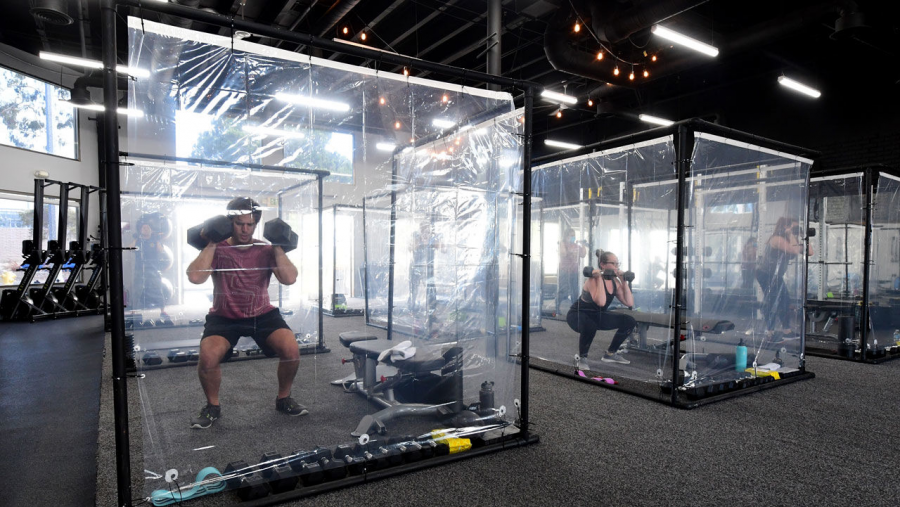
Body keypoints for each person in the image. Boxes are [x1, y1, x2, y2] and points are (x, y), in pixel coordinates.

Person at [186, 197, 305, 429]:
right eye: (240, 223)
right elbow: (195, 277)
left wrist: (278, 246)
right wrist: (211, 242)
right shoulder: (218, 248)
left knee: (291, 349)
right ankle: (212, 407)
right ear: (230, 222)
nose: (245, 229)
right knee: (208, 357)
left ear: (256, 224)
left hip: (262, 314)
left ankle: (284, 399)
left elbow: (289, 279)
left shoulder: (266, 249)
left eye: (250, 224)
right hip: (224, 316)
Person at [566, 249, 636, 369]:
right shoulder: (592, 280)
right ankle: (582, 358)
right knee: (590, 325)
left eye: (617, 264)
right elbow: (601, 302)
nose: (616, 267)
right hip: (578, 315)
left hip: (597, 314)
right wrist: (599, 278)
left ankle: (610, 354)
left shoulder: (616, 282)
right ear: (603, 265)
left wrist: (624, 281)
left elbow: (629, 302)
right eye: (613, 263)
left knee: (629, 321)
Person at [756, 217, 813, 337]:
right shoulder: (776, 239)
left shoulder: (792, 240)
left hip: (776, 275)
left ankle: (786, 330)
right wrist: (791, 234)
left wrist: (803, 235)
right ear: (784, 227)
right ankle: (770, 331)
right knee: (772, 301)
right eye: (794, 228)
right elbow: (793, 251)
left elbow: (810, 252)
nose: (795, 231)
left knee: (785, 301)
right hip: (765, 274)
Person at [130, 221, 171, 324]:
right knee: (137, 289)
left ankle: (162, 310)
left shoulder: (155, 240)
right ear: (140, 230)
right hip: (140, 269)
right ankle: (134, 311)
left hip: (152, 269)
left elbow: (161, 251)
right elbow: (130, 248)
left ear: (151, 230)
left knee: (157, 289)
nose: (145, 229)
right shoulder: (138, 240)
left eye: (147, 228)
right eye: (144, 228)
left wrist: (157, 240)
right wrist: (136, 239)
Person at [558, 228, 587, 307]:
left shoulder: (576, 245)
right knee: (563, 290)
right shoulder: (563, 243)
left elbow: (583, 255)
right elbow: (563, 253)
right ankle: (558, 308)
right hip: (564, 270)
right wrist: (571, 251)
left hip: (574, 270)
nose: (573, 237)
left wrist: (583, 245)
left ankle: (575, 307)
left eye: (574, 235)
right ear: (567, 236)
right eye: (571, 236)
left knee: (575, 290)